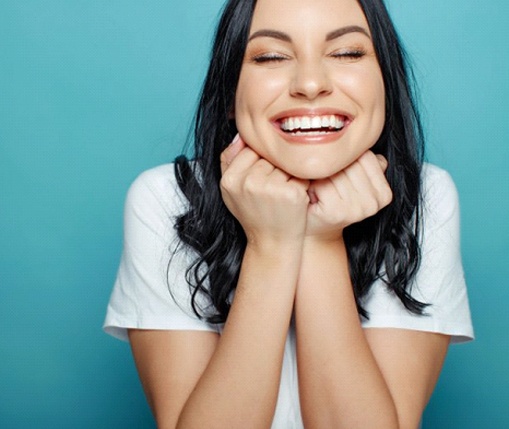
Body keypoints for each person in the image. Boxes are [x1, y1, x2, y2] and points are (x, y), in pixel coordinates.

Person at [104, 0, 473, 427]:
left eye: (347, 53)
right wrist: (272, 245)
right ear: (229, 94)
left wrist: (320, 239)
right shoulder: (168, 199)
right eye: (270, 57)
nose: (311, 83)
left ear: (386, 81)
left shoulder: (424, 197)